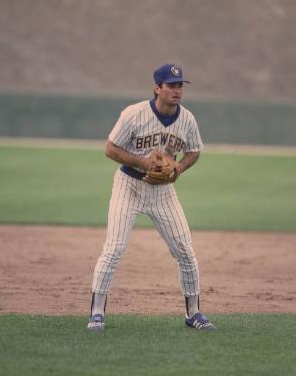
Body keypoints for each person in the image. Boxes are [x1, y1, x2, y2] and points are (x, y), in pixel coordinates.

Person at [87, 63, 216, 332]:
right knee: (114, 249)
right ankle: (97, 313)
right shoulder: (134, 114)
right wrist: (143, 163)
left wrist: (179, 167)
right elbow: (110, 149)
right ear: (157, 88)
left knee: (185, 252)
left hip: (163, 192)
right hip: (129, 186)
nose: (176, 90)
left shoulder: (187, 119)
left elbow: (194, 151)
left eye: (180, 85)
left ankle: (193, 313)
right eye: (171, 85)